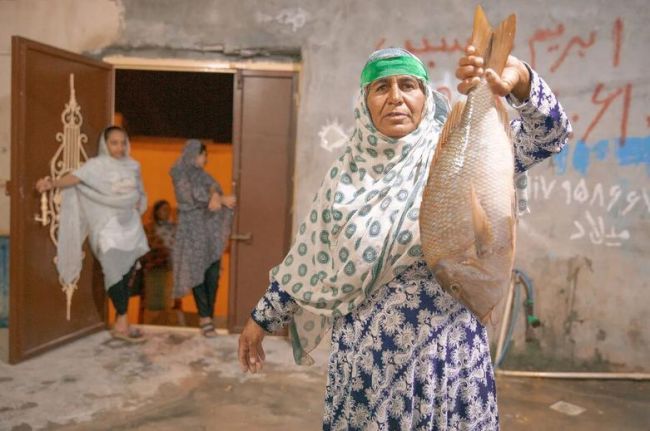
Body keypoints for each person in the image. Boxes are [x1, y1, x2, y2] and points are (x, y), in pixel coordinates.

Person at [238, 45, 572, 429]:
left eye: (408, 85)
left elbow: (551, 134)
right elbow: (311, 260)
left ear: (425, 96)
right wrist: (260, 320)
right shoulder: (344, 179)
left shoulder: (463, 153)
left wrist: (519, 79)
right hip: (367, 370)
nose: (395, 97)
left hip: (449, 362)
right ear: (364, 102)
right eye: (381, 87)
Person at [36, 125, 149, 343]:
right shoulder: (96, 166)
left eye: (123, 142)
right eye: (114, 143)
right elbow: (74, 178)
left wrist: (139, 205)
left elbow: (141, 193)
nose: (119, 147)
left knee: (126, 274)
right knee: (113, 270)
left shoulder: (134, 166)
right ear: (105, 144)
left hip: (131, 228)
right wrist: (51, 183)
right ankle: (123, 319)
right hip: (108, 228)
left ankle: (121, 323)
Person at [170, 140, 236, 338]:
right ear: (192, 154)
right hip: (192, 232)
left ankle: (208, 316)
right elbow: (190, 197)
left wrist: (215, 194)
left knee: (213, 275)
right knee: (197, 273)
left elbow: (213, 186)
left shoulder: (203, 175)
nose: (205, 159)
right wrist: (219, 199)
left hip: (209, 234)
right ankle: (205, 318)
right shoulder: (179, 173)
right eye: (203, 154)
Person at [141, 200, 176, 316]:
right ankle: (155, 315)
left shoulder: (175, 227)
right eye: (164, 210)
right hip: (154, 266)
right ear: (156, 212)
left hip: (172, 265)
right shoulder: (149, 228)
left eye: (169, 210)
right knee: (155, 296)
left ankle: (167, 314)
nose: (167, 212)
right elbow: (145, 247)